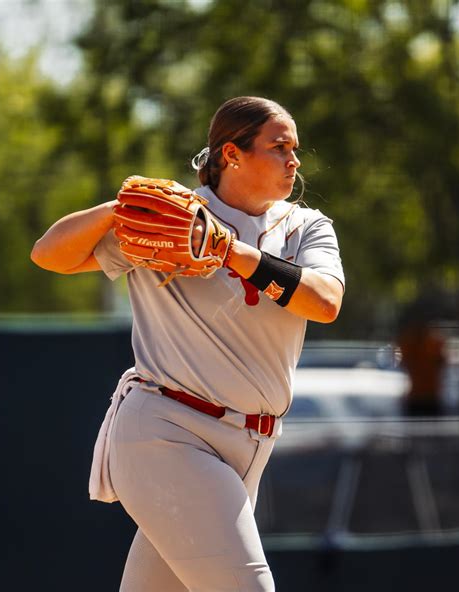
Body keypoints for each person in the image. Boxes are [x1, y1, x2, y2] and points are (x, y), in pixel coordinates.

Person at [31, 96, 345, 592]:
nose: (294, 160)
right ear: (232, 154)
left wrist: (230, 250)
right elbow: (50, 255)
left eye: (295, 149)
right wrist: (122, 210)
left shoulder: (304, 225)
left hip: (252, 445)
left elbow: (325, 302)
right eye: (279, 147)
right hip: (169, 431)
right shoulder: (173, 220)